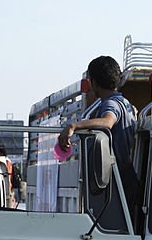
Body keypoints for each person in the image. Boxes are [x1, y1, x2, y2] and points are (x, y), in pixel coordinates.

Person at [57, 55, 139, 204]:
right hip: (127, 176)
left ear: (94, 82)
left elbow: (107, 121)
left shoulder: (111, 104)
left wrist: (73, 126)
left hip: (116, 179)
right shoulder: (125, 103)